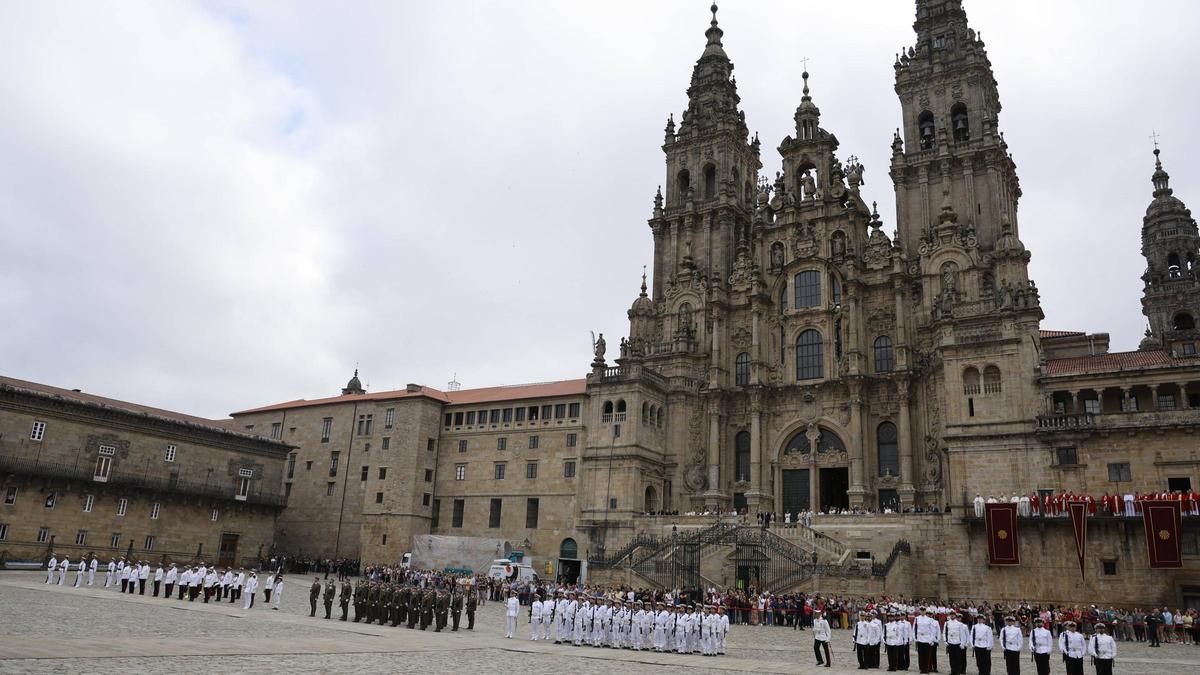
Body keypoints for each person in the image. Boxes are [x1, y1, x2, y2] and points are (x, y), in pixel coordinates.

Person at [915, 606, 940, 673]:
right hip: (920, 638)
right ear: (919, 611)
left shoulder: (929, 619)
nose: (922, 612)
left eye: (923, 610)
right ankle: (921, 669)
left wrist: (931, 640)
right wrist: (915, 638)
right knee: (921, 655)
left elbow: (933, 631)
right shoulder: (917, 619)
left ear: (925, 611)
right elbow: (914, 629)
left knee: (927, 655)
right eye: (921, 610)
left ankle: (926, 669)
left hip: (927, 639)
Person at [944, 610, 969, 675]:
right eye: (951, 614)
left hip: (957, 643)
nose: (952, 615)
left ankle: (958, 671)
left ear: (955, 615)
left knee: (958, 658)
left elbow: (962, 635)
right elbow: (945, 633)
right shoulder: (947, 623)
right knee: (951, 658)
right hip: (950, 643)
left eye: (953, 614)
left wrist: (962, 643)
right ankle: (953, 671)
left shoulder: (959, 624)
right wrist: (945, 641)